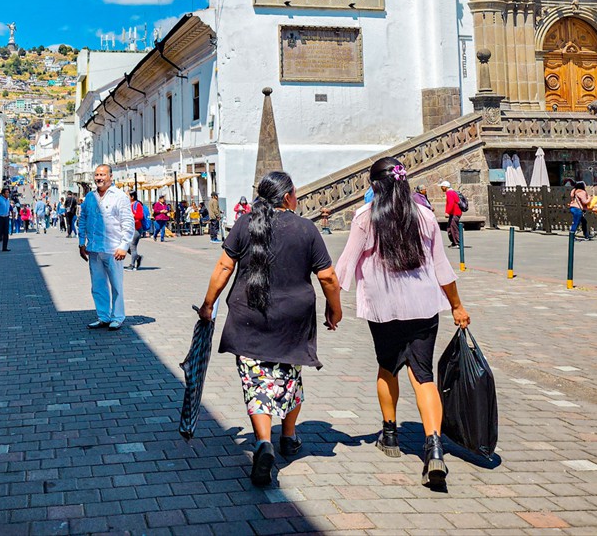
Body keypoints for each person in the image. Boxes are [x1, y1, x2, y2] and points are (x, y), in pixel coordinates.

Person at [197, 171, 341, 487]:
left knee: (255, 382)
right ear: (288, 196)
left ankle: (264, 442)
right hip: (292, 320)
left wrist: (208, 304)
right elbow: (328, 277)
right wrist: (335, 309)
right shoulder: (306, 228)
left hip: (248, 317)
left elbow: (224, 266)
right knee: (288, 377)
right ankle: (288, 437)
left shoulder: (244, 224)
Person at [333, 157, 471, 487]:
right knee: (423, 375)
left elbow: (344, 265)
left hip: (383, 309)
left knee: (387, 366)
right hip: (424, 306)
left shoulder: (365, 217)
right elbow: (442, 268)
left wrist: (332, 307)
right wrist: (457, 306)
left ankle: (390, 435)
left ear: (374, 186)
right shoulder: (424, 215)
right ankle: (434, 446)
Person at [79, 165, 134, 328]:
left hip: (113, 248)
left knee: (116, 284)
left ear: (110, 176)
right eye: (96, 175)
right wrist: (82, 242)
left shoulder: (119, 196)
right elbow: (82, 219)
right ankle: (103, 316)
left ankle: (117, 317)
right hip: (94, 248)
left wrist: (124, 245)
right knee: (98, 284)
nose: (99, 178)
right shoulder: (90, 197)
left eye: (103, 174)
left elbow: (128, 223)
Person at [125, 190, 147, 271]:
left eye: (127, 195)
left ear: (132, 197)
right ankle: (137, 257)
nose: (126, 197)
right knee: (126, 246)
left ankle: (132, 265)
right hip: (128, 229)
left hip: (136, 228)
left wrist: (132, 215)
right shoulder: (127, 204)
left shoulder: (137, 205)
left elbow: (140, 216)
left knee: (132, 246)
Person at [440, 181, 463, 249]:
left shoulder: (449, 192)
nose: (441, 189)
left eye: (442, 187)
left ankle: (457, 243)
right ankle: (454, 241)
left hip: (455, 213)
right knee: (449, 228)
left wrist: (447, 212)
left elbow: (451, 203)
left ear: (445, 187)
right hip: (454, 213)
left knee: (453, 228)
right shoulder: (452, 192)